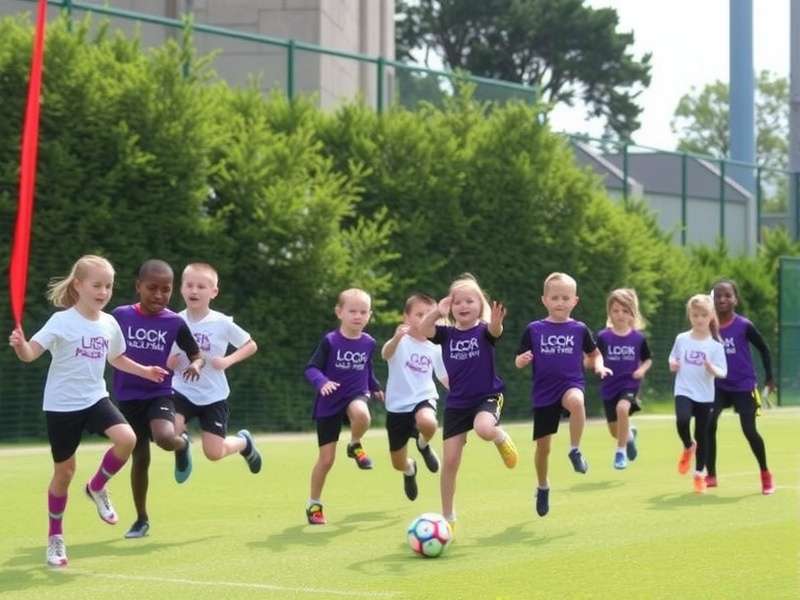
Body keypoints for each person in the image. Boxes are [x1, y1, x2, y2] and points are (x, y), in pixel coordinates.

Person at [8, 255, 167, 567]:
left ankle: (97, 486)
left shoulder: (109, 323)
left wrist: (145, 371)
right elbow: (30, 355)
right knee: (64, 473)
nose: (103, 291)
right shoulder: (60, 321)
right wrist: (20, 344)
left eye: (108, 286)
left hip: (95, 398)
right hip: (61, 406)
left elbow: (117, 358)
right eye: (97, 285)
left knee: (127, 439)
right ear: (78, 285)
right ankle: (55, 537)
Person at [419, 274, 518, 533]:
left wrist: (496, 323)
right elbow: (423, 330)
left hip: (487, 396)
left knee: (485, 428)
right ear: (451, 307)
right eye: (458, 302)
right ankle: (448, 516)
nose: (464, 306)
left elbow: (496, 331)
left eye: (470, 301)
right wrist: (435, 312)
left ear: (480, 305)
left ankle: (500, 438)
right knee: (450, 461)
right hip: (457, 404)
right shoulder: (446, 334)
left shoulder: (484, 331)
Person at [112, 259, 204, 538]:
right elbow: (105, 347)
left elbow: (196, 354)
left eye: (166, 290)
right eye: (152, 288)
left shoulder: (175, 321)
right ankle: (141, 519)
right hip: (127, 397)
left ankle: (182, 443)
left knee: (164, 437)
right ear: (138, 286)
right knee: (139, 458)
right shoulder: (119, 316)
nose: (159, 295)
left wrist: (195, 365)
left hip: (159, 392)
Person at [515, 272, 611, 517]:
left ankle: (575, 449)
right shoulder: (534, 329)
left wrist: (598, 365)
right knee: (543, 448)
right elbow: (518, 360)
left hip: (570, 384)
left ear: (574, 301)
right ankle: (543, 486)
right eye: (555, 297)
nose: (560, 302)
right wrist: (522, 360)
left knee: (577, 402)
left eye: (565, 297)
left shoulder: (579, 329)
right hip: (544, 393)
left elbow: (595, 354)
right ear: (544, 300)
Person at [167, 263, 262, 476]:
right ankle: (182, 447)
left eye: (201, 286)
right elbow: (167, 356)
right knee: (169, 429)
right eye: (189, 285)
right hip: (181, 389)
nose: (194, 290)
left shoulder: (222, 322)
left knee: (214, 453)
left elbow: (251, 345)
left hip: (213, 395)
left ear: (213, 292)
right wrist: (170, 361)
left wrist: (227, 361)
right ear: (181, 288)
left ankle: (244, 443)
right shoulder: (174, 321)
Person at [304, 288, 384, 525]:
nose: (358, 316)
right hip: (329, 401)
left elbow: (367, 368)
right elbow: (311, 368)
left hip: (355, 394)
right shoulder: (330, 341)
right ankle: (314, 504)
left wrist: (375, 386)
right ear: (339, 312)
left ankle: (355, 444)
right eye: (352, 311)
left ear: (369, 315)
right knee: (326, 460)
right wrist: (323, 382)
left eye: (363, 311)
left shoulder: (369, 342)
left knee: (362, 415)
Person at [707, 279, 775, 494]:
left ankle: (765, 473)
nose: (722, 299)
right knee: (708, 424)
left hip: (744, 386)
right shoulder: (708, 326)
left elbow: (764, 349)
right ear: (712, 299)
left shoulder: (744, 325)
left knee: (749, 430)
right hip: (718, 385)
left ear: (735, 299)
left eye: (727, 295)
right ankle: (711, 475)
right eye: (718, 295)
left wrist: (769, 378)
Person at [382, 293, 448, 501]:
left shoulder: (435, 347)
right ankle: (410, 470)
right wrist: (396, 338)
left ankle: (423, 444)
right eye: (419, 314)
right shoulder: (400, 342)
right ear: (406, 318)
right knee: (397, 463)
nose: (423, 319)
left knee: (428, 423)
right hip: (397, 408)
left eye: (429, 315)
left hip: (424, 398)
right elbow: (385, 354)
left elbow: (444, 377)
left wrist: (462, 394)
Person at [669, 294, 727, 494]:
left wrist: (713, 370)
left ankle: (699, 474)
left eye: (703, 315)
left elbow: (723, 371)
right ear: (690, 316)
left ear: (711, 316)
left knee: (701, 434)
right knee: (682, 421)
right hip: (683, 389)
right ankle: (687, 446)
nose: (699, 319)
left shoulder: (716, 346)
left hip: (705, 395)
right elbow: (672, 357)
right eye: (695, 315)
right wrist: (673, 364)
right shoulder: (682, 339)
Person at [596, 288, 652, 470]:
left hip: (630, 384)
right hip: (609, 387)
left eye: (625, 311)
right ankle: (628, 435)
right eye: (616, 310)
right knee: (615, 430)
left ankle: (620, 453)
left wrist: (641, 370)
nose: (620, 315)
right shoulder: (603, 337)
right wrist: (597, 365)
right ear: (609, 313)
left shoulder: (638, 338)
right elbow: (594, 357)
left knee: (622, 408)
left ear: (632, 313)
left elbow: (648, 359)